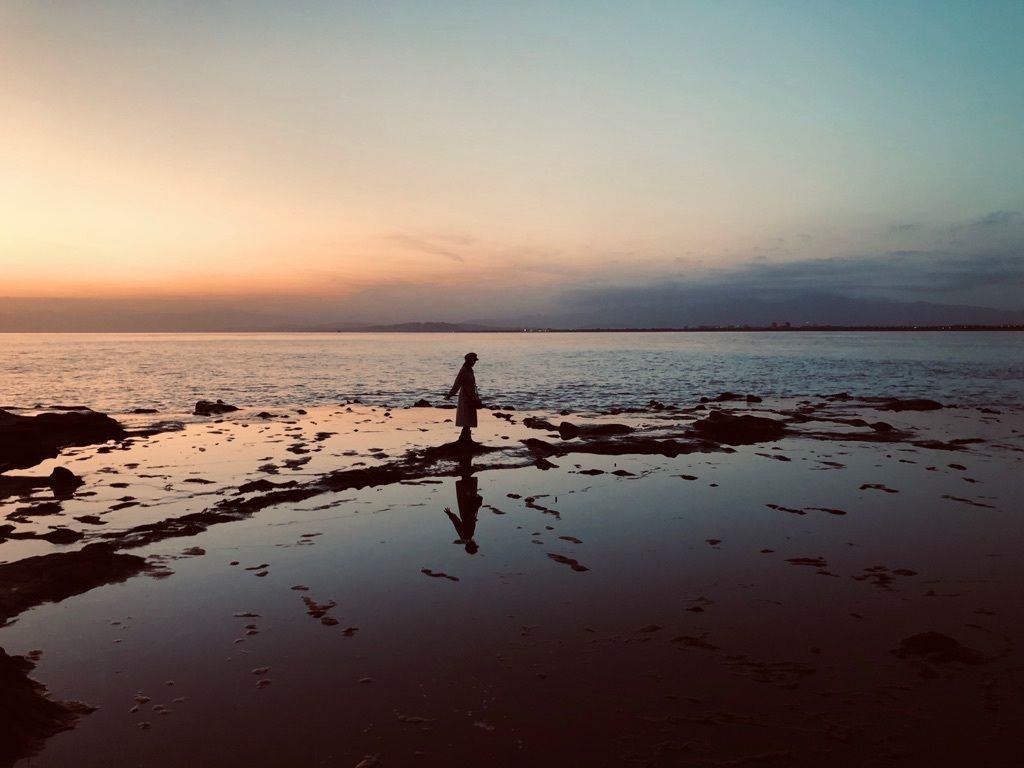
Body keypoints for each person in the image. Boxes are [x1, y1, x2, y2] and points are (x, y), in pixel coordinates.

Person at [445, 352, 481, 444]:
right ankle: (465, 438)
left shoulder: (470, 370)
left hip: (470, 396)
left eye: (475, 360)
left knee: (469, 417)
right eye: (473, 360)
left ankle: (466, 437)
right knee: (466, 417)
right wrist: (450, 394)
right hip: (465, 397)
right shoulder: (464, 370)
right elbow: (457, 383)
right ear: (469, 360)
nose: (474, 362)